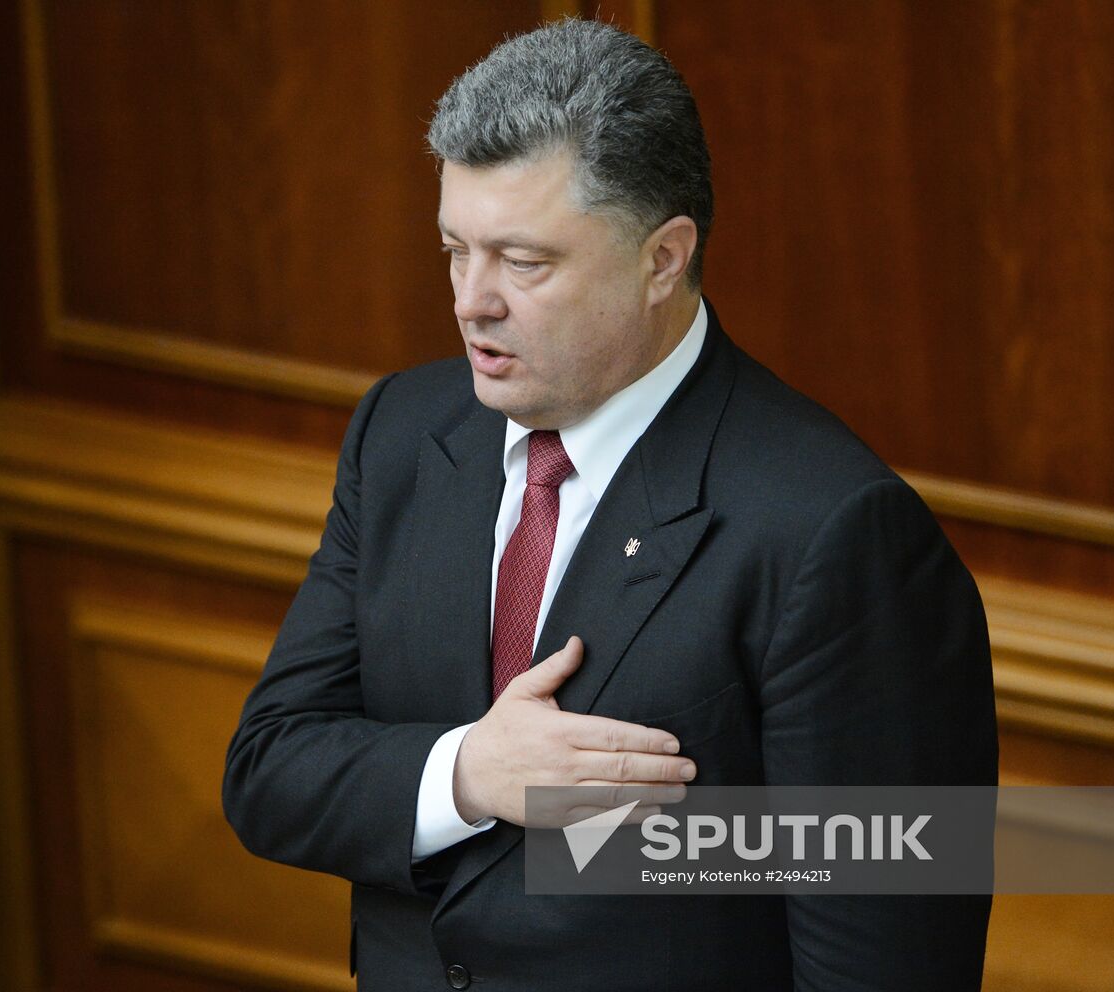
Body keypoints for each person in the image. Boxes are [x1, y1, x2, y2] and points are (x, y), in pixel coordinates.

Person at [223, 17, 996, 991]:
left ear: (661, 259)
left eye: (523, 261)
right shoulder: (399, 432)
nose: (471, 299)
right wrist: (467, 773)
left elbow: (883, 963)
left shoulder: (833, 533)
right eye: (454, 249)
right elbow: (268, 771)